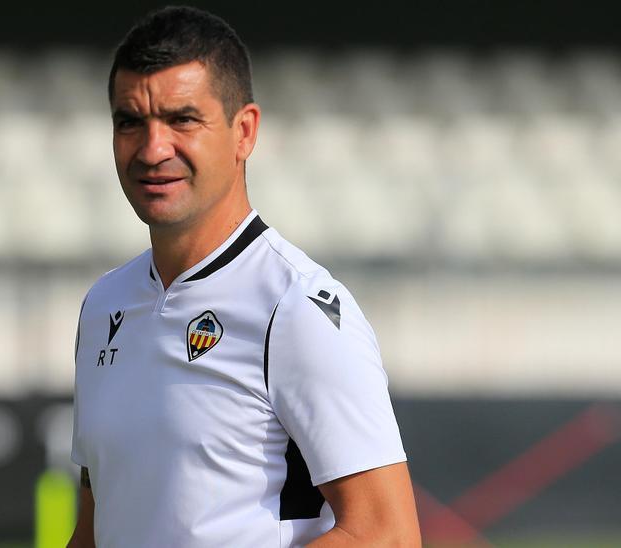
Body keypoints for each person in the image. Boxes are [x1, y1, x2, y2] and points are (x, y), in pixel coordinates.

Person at [67, 7, 420, 547]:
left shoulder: (297, 305)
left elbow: (387, 536)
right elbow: (96, 529)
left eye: (182, 119)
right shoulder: (103, 307)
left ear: (244, 132)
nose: (152, 148)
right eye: (129, 121)